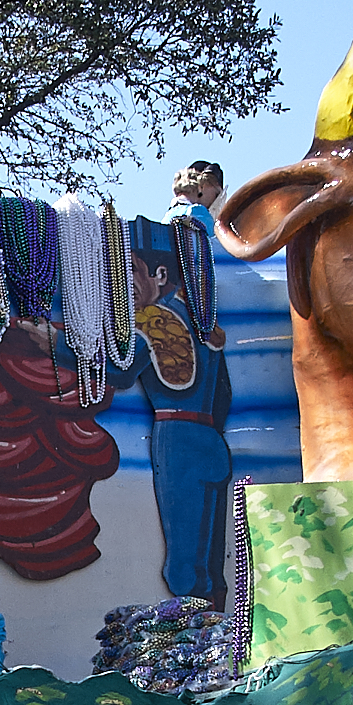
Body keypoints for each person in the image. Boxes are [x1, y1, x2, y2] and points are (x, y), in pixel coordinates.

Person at [105, 223, 232, 609]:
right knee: (210, 560)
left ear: (160, 275)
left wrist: (55, 342)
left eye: (132, 272)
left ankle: (193, 648)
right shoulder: (204, 325)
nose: (124, 286)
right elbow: (223, 395)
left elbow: (121, 372)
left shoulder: (153, 319)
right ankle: (221, 633)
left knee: (184, 566)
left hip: (177, 440)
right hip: (212, 440)